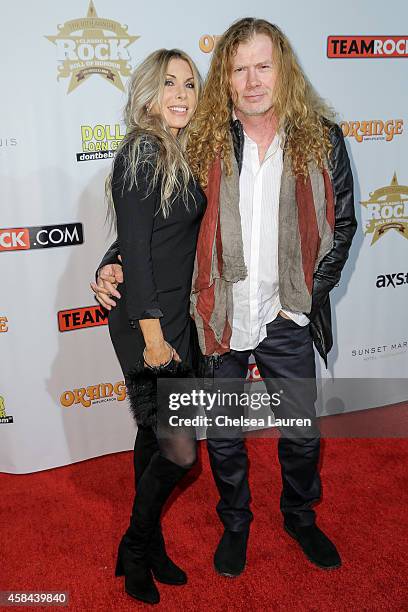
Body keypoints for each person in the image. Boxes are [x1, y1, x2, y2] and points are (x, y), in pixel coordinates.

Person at [93, 18, 356, 577]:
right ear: (227, 80)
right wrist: (110, 262)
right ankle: (235, 522)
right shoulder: (209, 137)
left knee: (301, 430)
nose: (252, 80)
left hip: (287, 314)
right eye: (238, 69)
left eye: (263, 66)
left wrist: (305, 298)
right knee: (225, 435)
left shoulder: (323, 136)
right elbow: (153, 225)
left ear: (283, 69)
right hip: (218, 315)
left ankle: (300, 517)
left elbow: (345, 224)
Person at [96, 48, 205, 605]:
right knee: (182, 451)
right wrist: (154, 334)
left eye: (189, 83)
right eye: (169, 83)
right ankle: (136, 548)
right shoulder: (141, 150)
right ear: (148, 92)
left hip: (175, 318)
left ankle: (148, 543)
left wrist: (106, 258)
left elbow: (152, 236)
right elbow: (136, 248)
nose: (181, 93)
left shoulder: (178, 150)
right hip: (148, 323)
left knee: (153, 437)